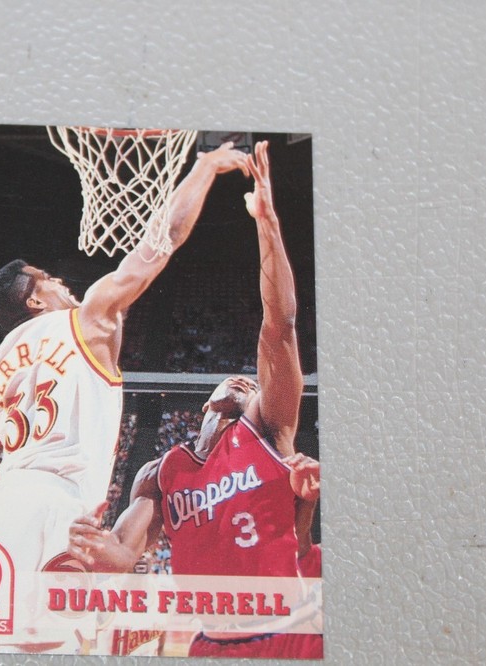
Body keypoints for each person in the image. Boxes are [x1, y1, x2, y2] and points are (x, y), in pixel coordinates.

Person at [0, 142, 250, 653]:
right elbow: (159, 244)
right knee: (58, 650)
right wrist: (205, 167)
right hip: (57, 505)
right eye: (49, 280)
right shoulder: (88, 320)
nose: (61, 282)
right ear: (34, 299)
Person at [67, 141, 323, 659]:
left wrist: (268, 225)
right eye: (233, 381)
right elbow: (124, 552)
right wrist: (95, 550)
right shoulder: (161, 473)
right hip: (213, 641)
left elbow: (280, 326)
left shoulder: (268, 428)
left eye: (251, 384)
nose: (243, 383)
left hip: (289, 629)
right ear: (204, 405)